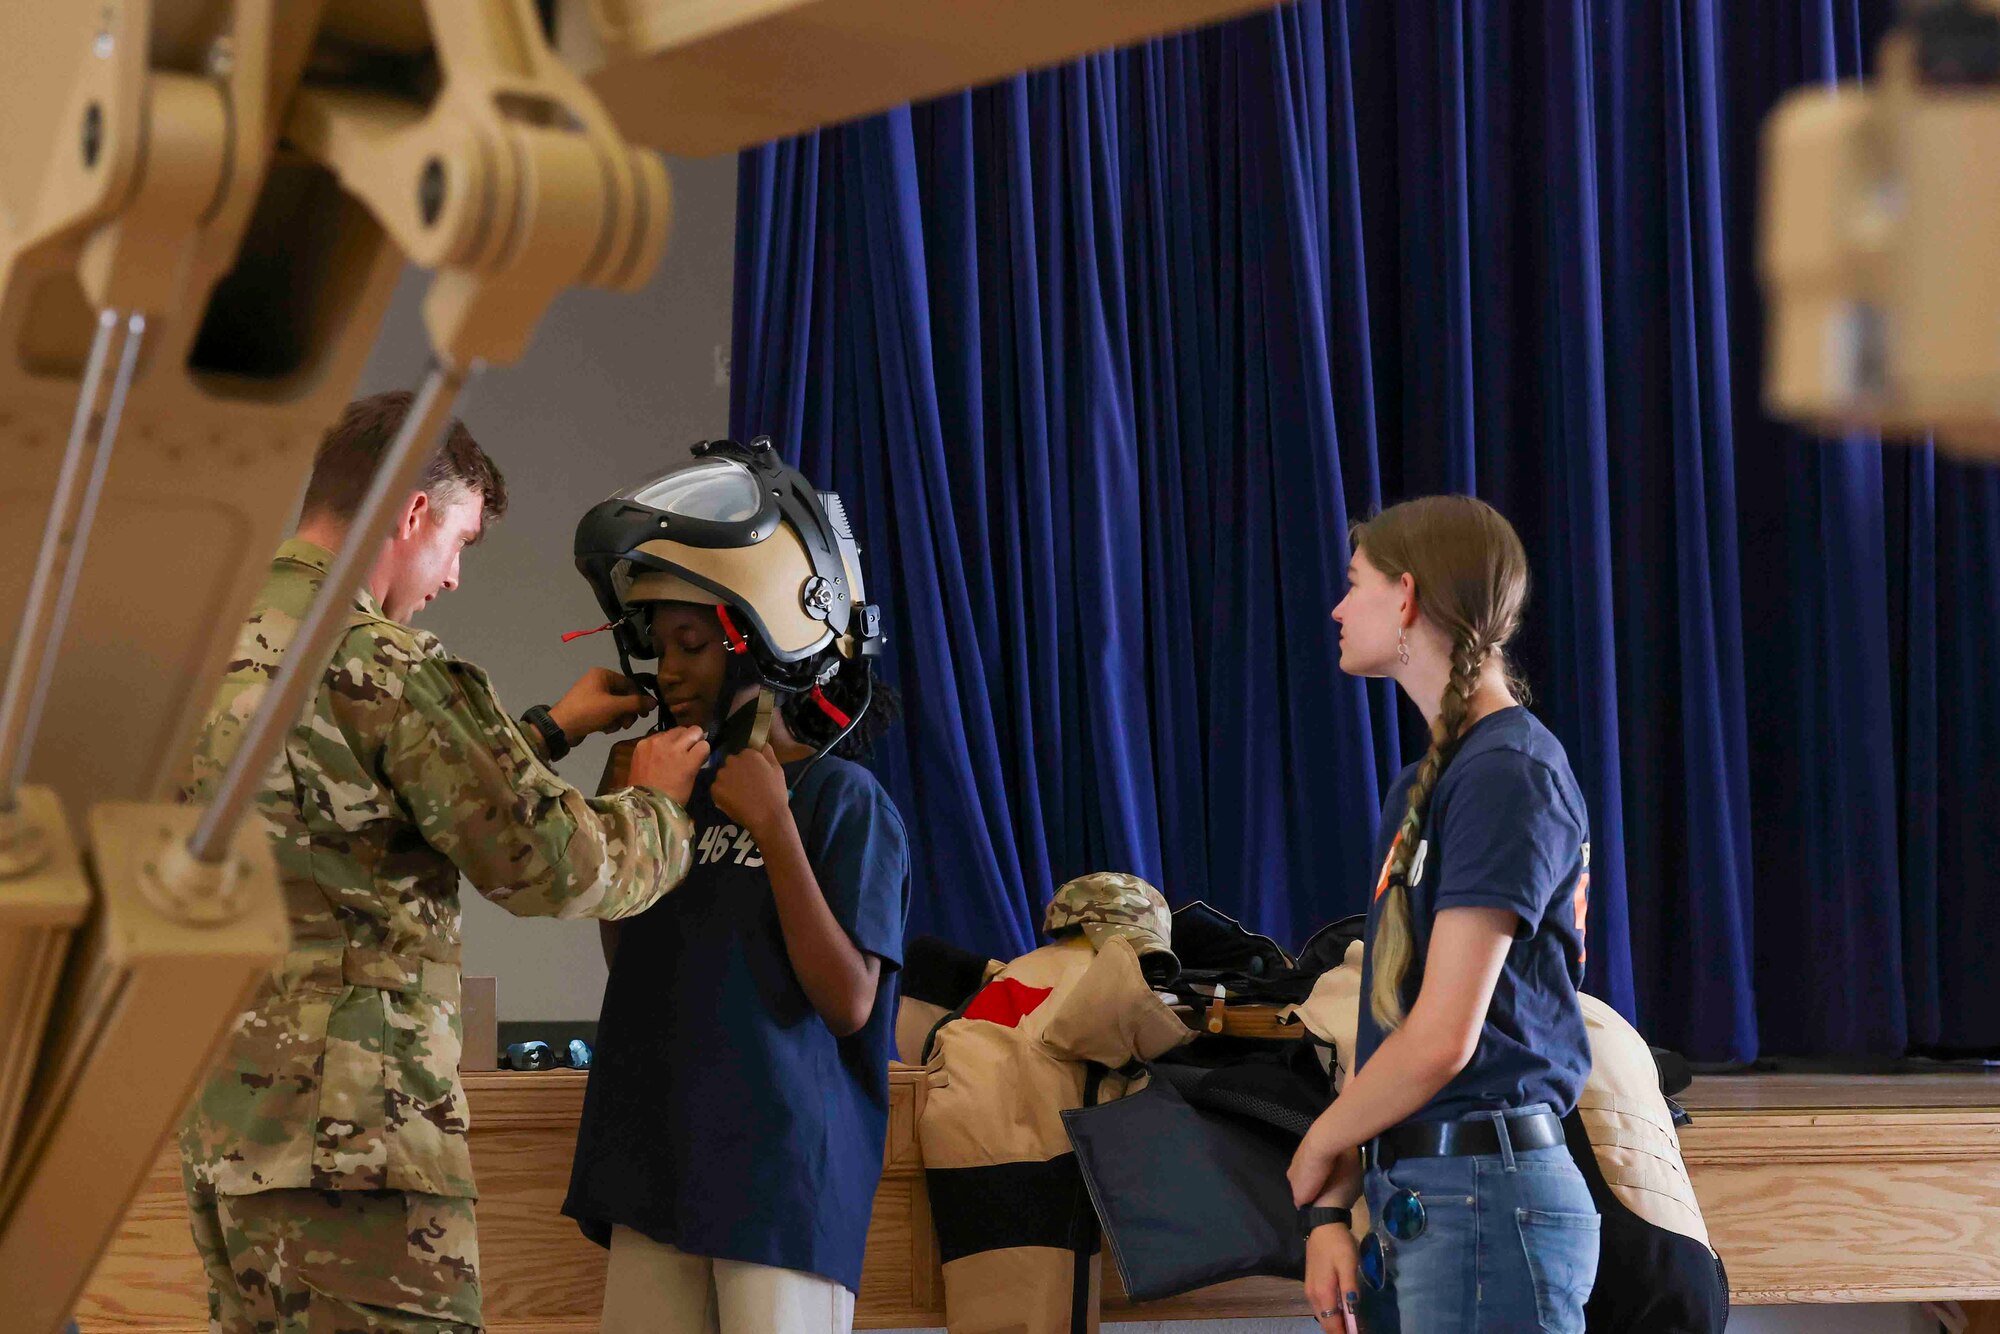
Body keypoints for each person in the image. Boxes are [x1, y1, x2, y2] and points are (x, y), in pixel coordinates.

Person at [177, 391, 712, 1334]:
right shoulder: (380, 663)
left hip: (231, 1135)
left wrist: (546, 728)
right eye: (459, 541)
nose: (455, 577)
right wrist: (659, 806)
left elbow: (354, 813)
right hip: (359, 1148)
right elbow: (559, 867)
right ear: (411, 513)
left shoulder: (206, 647)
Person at [563, 442, 908, 1334]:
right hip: (658, 1172)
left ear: (760, 645)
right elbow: (628, 957)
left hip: (780, 1192)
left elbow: (848, 1006)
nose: (668, 668)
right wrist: (634, 814)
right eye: (656, 644)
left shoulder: (841, 800)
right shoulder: (667, 790)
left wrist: (776, 825)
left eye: (691, 645)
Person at [1286, 495, 1599, 1334]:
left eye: (1355, 584)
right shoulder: (1432, 781)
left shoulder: (1508, 772)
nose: (1337, 608)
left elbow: (1443, 1038)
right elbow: (1390, 1022)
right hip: (1428, 1194)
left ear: (1408, 598)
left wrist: (1320, 1144)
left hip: (1489, 1198)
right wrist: (1331, 1210)